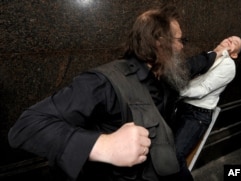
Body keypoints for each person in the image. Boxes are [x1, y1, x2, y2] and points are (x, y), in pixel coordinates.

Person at [8, 3, 216, 181]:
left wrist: (217, 54)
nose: (181, 47)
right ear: (159, 42)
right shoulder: (104, 83)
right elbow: (27, 125)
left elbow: (192, 65)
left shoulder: (164, 74)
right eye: (180, 40)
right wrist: (103, 145)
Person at [173, 36, 241, 180]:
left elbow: (203, 89)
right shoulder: (212, 55)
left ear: (235, 54)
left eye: (235, 43)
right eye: (229, 38)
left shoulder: (228, 66)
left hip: (197, 115)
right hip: (182, 107)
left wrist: (174, 91)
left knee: (175, 157)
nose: (230, 40)